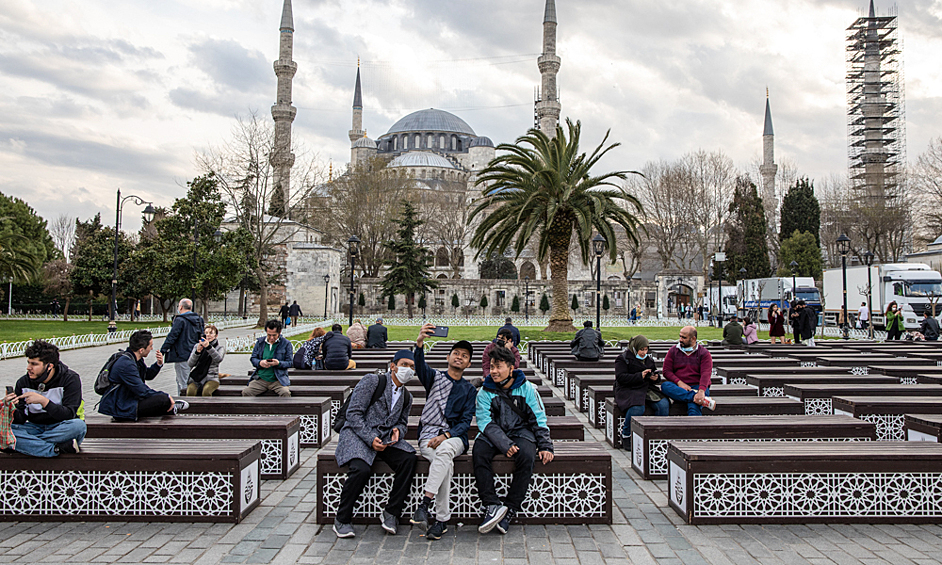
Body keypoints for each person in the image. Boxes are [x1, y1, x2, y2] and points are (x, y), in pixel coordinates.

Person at [333, 350, 417, 538]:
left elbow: (402, 423)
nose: (408, 370)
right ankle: (342, 518)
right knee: (361, 470)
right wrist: (370, 438)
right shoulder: (373, 381)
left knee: (409, 459)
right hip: (358, 434)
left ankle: (391, 512)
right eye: (404, 365)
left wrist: (398, 431)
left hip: (385, 438)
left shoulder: (406, 396)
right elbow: (353, 414)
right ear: (393, 366)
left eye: (412, 367)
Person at [473, 346, 553, 535]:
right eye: (491, 367)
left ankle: (510, 508)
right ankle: (491, 504)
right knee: (479, 453)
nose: (493, 371)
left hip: (521, 432)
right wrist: (504, 443)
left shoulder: (526, 389)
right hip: (494, 434)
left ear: (511, 368)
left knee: (526, 456)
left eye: (498, 367)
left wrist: (545, 445)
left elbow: (538, 418)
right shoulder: (485, 391)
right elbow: (485, 421)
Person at [409, 326, 476, 540]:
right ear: (448, 357)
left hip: (454, 437)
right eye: (456, 353)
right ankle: (441, 520)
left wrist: (446, 436)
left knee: (445, 449)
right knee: (445, 463)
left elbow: (465, 422)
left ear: (469, 363)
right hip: (428, 435)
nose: (459, 357)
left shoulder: (468, 389)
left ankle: (424, 504)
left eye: (464, 356)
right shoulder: (434, 378)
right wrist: (419, 342)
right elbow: (420, 366)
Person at [3, 340, 85, 456]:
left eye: (34, 364)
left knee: (78, 426)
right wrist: (10, 408)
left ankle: (27, 444)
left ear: (49, 366)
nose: (28, 368)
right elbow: (20, 419)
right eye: (28, 363)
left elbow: (69, 414)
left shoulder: (70, 379)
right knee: (4, 431)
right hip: (34, 427)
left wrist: (44, 401)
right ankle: (56, 449)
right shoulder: (23, 382)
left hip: (61, 428)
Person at [99, 330, 187, 421]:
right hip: (122, 407)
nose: (152, 348)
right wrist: (167, 397)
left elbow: (148, 375)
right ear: (141, 350)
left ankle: (172, 408)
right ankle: (172, 408)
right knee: (162, 400)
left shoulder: (135, 359)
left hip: (131, 401)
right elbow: (142, 390)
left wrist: (158, 364)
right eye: (150, 346)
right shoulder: (126, 364)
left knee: (162, 401)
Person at [614, 335, 668, 450]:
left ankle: (656, 435)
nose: (644, 352)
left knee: (663, 404)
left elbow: (654, 374)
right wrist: (640, 375)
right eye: (641, 349)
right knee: (637, 407)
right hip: (628, 388)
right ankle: (626, 434)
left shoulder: (649, 360)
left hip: (646, 388)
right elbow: (621, 377)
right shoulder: (623, 359)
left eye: (646, 349)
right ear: (635, 348)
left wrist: (655, 378)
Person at [660, 326, 716, 415]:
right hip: (679, 387)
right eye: (680, 336)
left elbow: (705, 374)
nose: (680, 339)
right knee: (665, 386)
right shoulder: (673, 351)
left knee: (694, 408)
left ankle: (693, 427)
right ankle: (696, 398)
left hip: (697, 386)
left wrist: (701, 391)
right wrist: (679, 382)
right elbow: (666, 371)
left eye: (684, 337)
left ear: (693, 339)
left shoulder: (704, 353)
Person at [160, 299, 205, 395]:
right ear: (191, 308)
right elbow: (202, 336)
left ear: (180, 307)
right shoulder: (198, 319)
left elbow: (172, 336)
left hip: (181, 354)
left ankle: (185, 402)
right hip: (196, 354)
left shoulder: (180, 320)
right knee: (191, 379)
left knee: (183, 381)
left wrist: (163, 350)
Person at [242, 320, 293, 397]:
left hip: (278, 380)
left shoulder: (286, 344)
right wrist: (260, 363)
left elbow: (290, 363)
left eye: (274, 335)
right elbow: (253, 359)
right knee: (246, 392)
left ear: (280, 332)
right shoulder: (260, 343)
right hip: (261, 379)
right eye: (269, 335)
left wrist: (278, 363)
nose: (271, 338)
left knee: (285, 393)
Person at [186, 324, 225, 396]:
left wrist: (209, 348)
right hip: (197, 377)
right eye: (206, 333)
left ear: (216, 335)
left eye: (211, 333)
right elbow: (190, 364)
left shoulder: (220, 348)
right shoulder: (197, 346)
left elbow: (218, 359)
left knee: (206, 392)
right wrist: (197, 352)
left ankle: (207, 407)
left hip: (211, 377)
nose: (208, 335)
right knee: (191, 391)